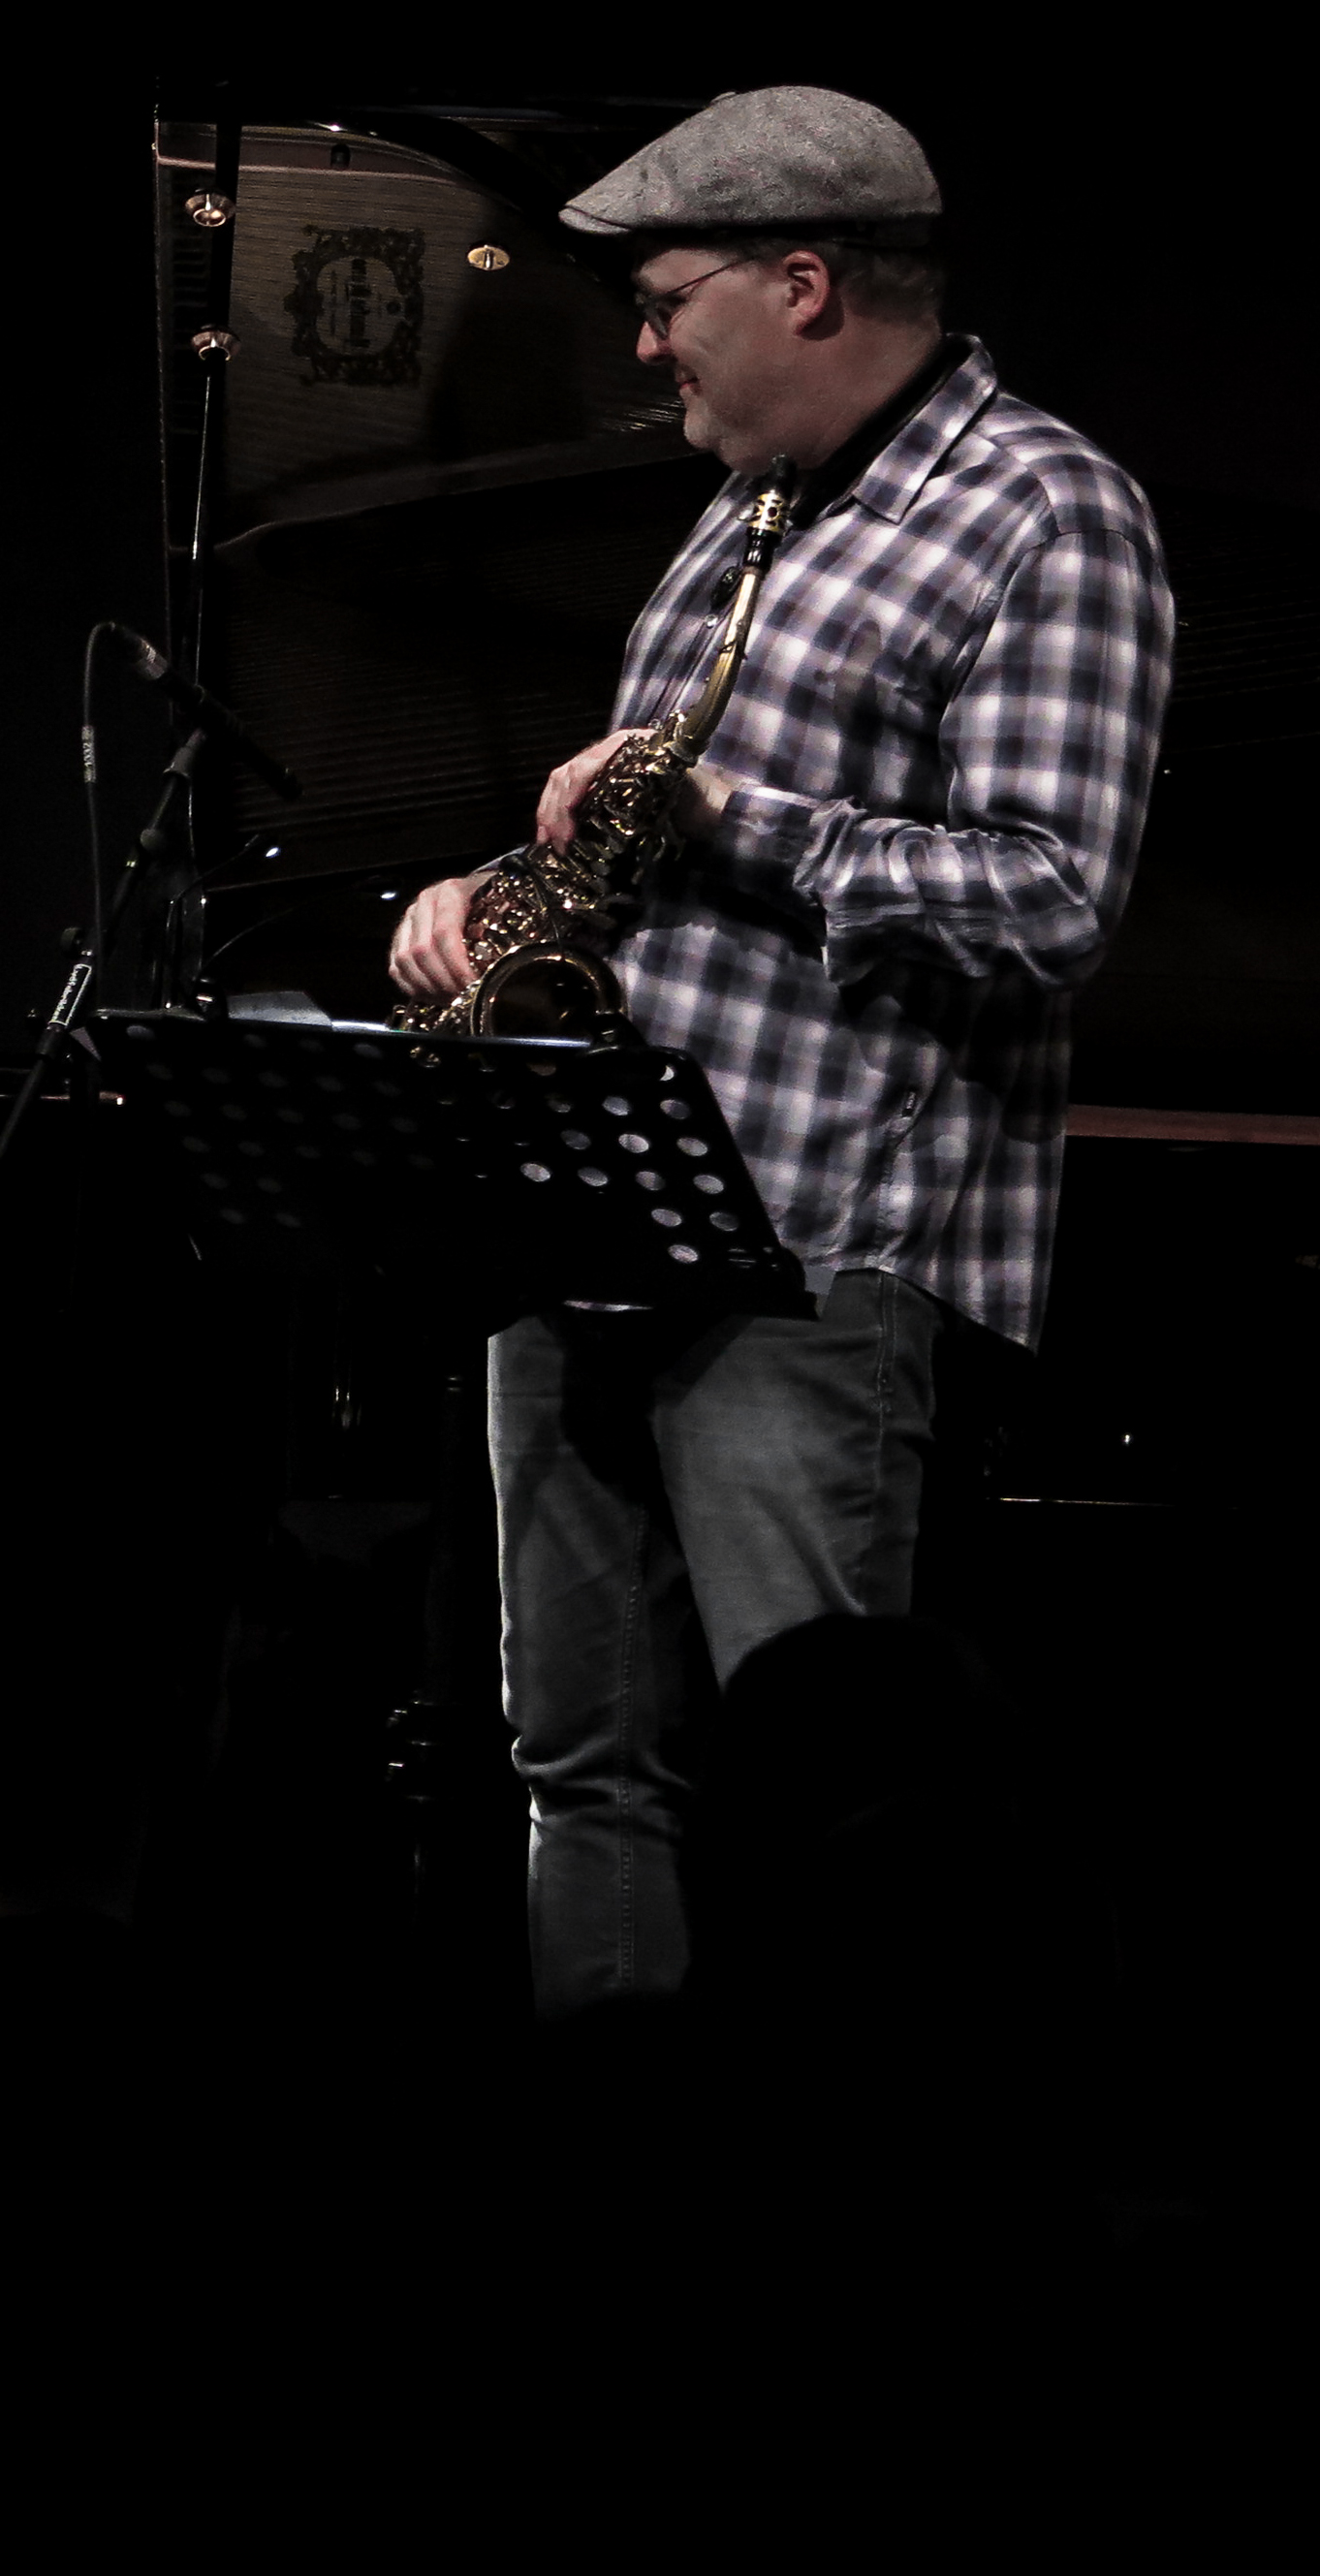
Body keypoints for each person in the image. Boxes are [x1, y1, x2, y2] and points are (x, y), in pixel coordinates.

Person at [384, 89, 1174, 2019]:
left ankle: (822, 2207)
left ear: (802, 283)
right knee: (577, 1771)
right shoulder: (748, 514)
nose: (642, 345)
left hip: (809, 1255)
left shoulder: (1042, 514)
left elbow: (1050, 900)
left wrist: (738, 819)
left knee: (824, 1796)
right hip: (589, 1215)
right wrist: (492, 888)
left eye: (666, 301)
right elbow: (636, 830)